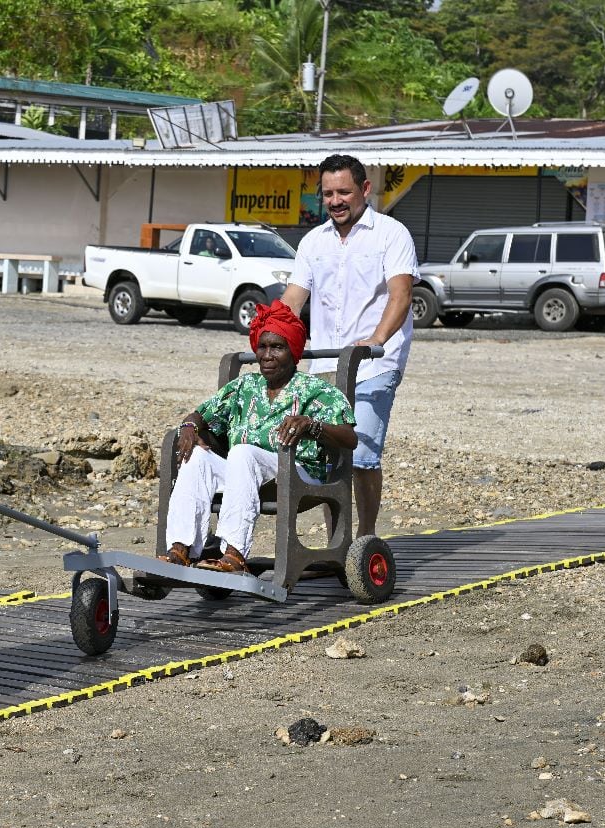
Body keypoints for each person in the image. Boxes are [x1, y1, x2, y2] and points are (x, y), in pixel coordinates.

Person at [279, 153, 419, 539]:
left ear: (365, 190)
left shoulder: (391, 234)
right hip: (325, 363)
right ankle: (337, 542)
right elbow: (294, 298)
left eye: (344, 192)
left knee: (362, 457)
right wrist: (272, 332)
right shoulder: (313, 241)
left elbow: (401, 296)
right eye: (327, 194)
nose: (336, 201)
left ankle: (366, 539)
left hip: (376, 362)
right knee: (327, 454)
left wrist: (374, 341)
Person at [161, 301, 357, 573]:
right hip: (246, 474)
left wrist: (312, 425)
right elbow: (200, 414)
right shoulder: (244, 386)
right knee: (195, 456)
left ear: (294, 352)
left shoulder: (316, 390)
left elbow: (349, 439)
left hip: (296, 472)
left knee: (242, 452)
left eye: (277, 347)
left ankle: (235, 553)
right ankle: (180, 549)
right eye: (262, 347)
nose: (266, 355)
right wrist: (189, 427)